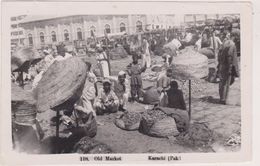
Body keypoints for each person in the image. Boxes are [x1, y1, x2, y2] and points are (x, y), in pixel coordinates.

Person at [217, 31, 239, 104]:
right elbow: (229, 56)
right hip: (227, 66)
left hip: (222, 65)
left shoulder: (225, 42)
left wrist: (220, 63)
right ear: (235, 37)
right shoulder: (232, 44)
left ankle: (222, 98)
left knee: (222, 82)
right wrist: (230, 68)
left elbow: (219, 53)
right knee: (226, 83)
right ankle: (223, 99)